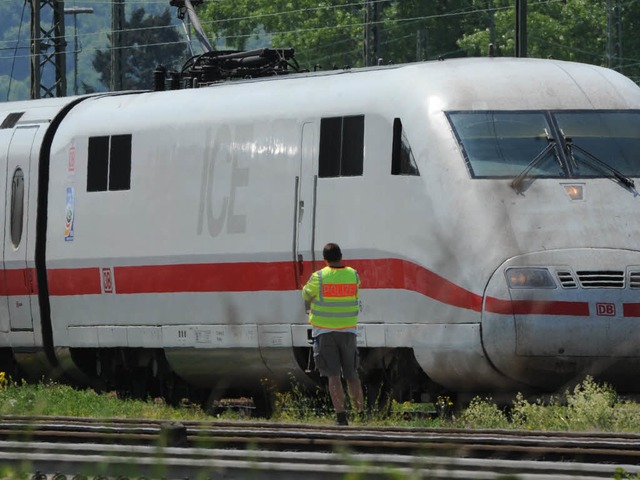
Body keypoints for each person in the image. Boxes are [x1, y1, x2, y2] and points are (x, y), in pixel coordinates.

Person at [302, 242, 364, 426]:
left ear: (325, 259)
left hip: (325, 332)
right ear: (341, 256)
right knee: (352, 375)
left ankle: (341, 417)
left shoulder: (318, 277)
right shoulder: (353, 274)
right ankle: (360, 414)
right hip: (348, 332)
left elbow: (305, 295)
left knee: (334, 376)